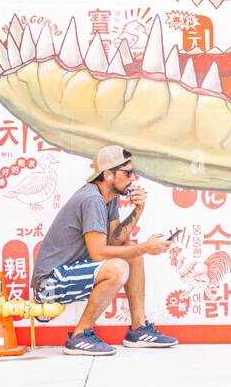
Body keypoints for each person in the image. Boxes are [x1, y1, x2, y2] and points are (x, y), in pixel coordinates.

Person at [31, 145, 178, 355]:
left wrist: (138, 210)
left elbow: (115, 241)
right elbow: (99, 253)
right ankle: (79, 336)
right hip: (49, 285)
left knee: (131, 252)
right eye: (127, 173)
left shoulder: (109, 198)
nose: (132, 178)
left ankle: (138, 329)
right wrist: (145, 247)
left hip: (69, 272)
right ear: (108, 175)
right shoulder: (92, 199)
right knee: (118, 267)